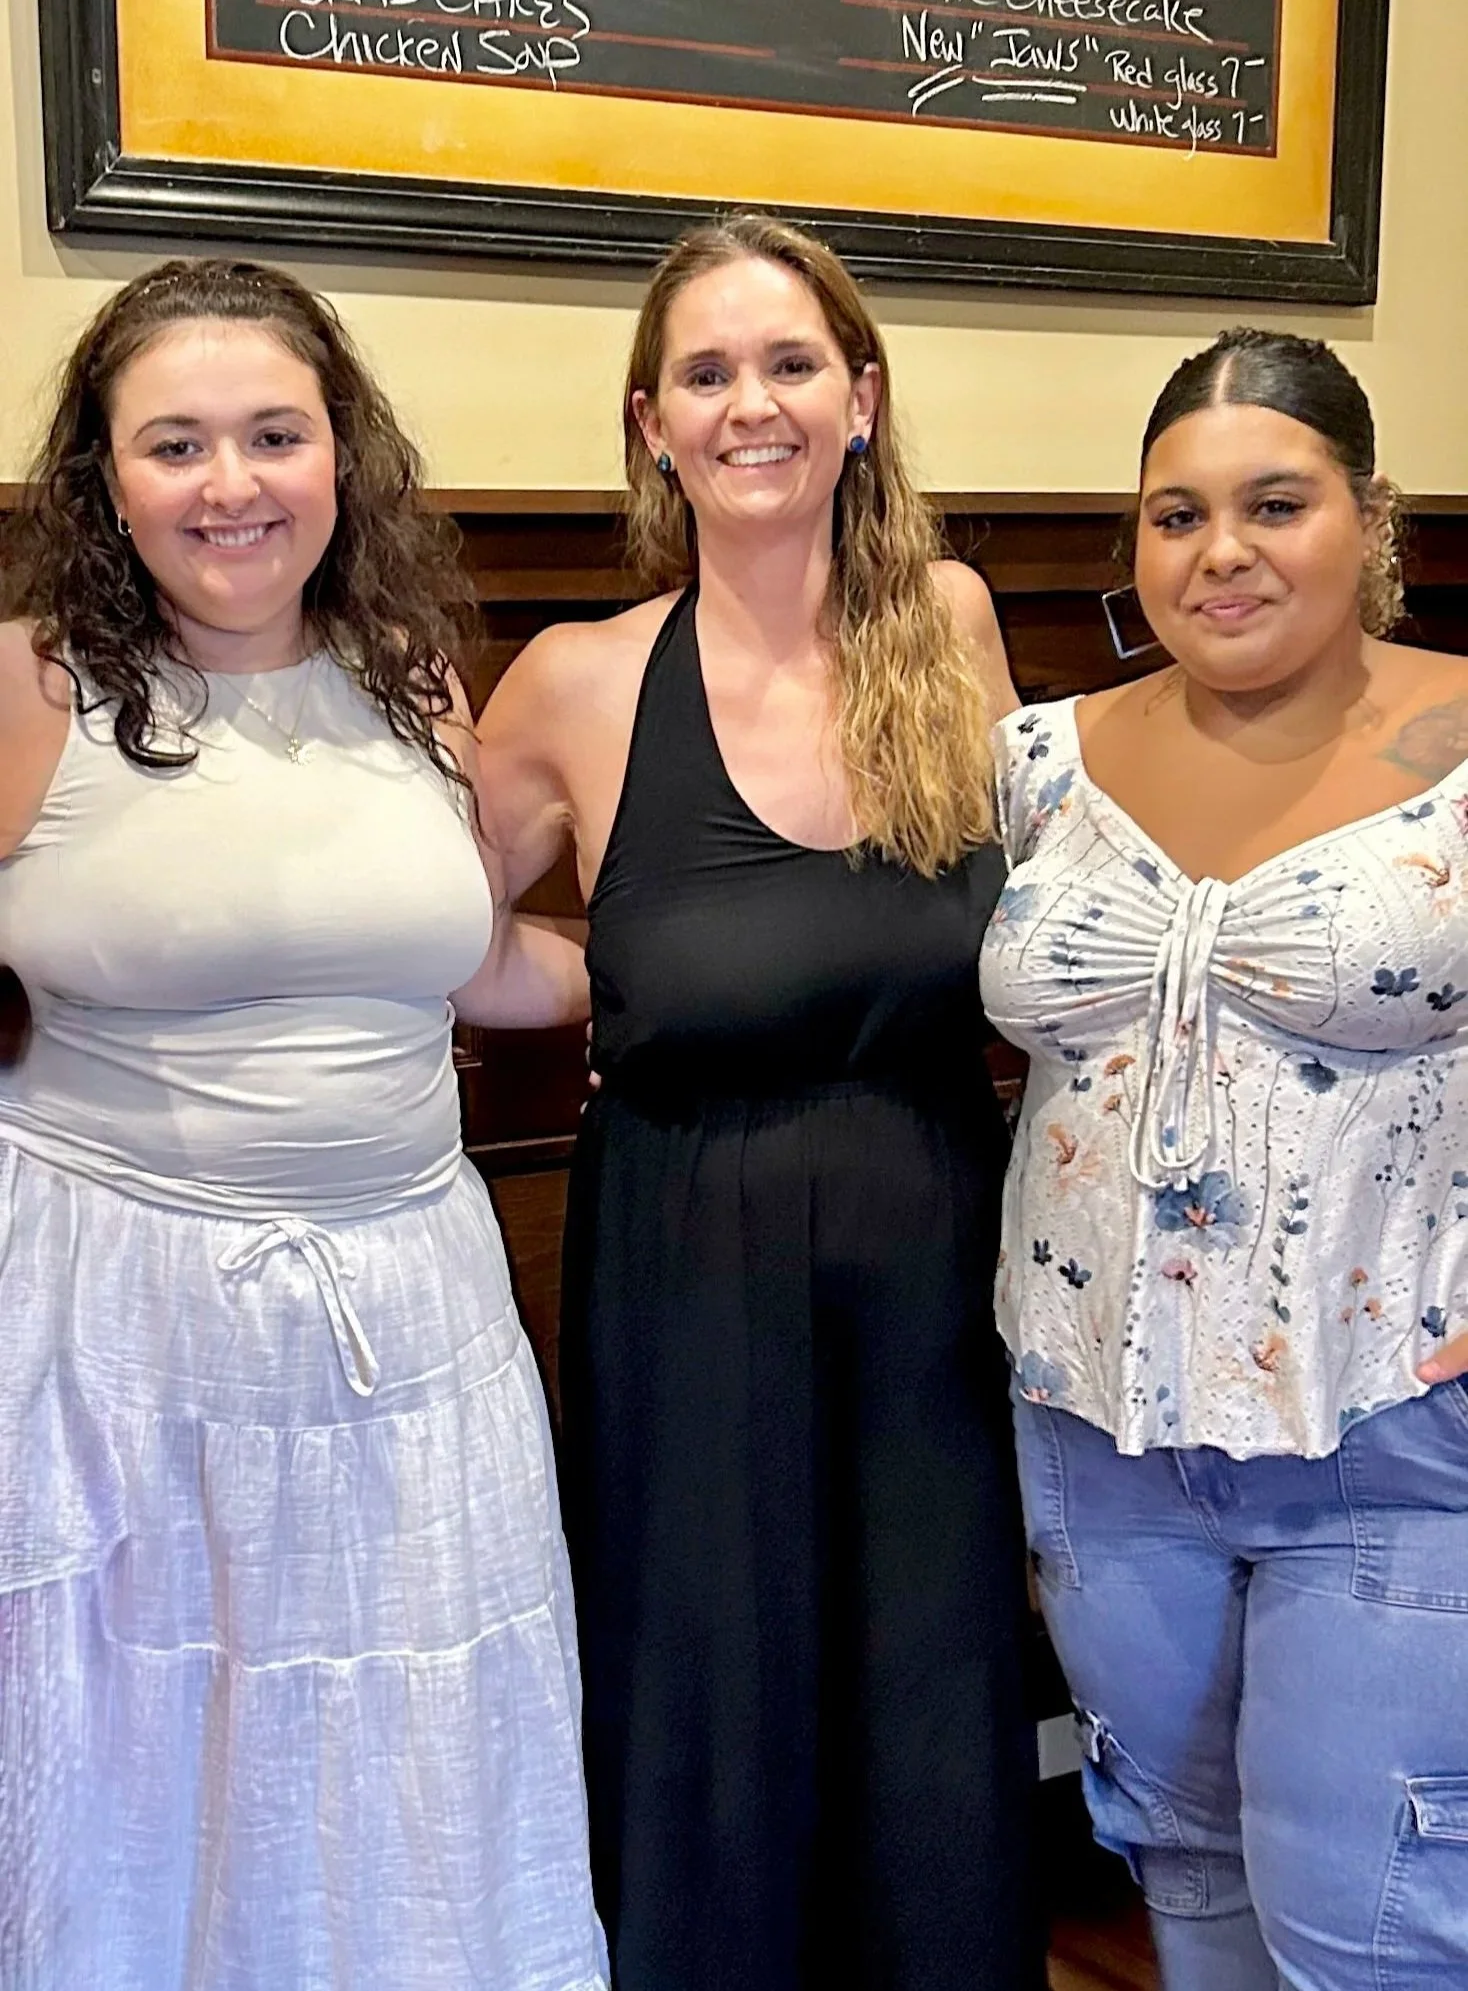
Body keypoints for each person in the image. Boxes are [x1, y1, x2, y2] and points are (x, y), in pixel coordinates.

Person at [0, 258, 606, 1991]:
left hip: (410, 1321)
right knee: (144, 1753)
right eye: (174, 444)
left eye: (275, 434)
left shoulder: (408, 677)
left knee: (408, 1751)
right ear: (103, 478)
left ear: (343, 455)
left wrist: (687, 964)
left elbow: (457, 957)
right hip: (113, 1333)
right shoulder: (25, 691)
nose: (232, 485)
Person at [476, 213, 1044, 1991]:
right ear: (650, 424)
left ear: (862, 399)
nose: (753, 406)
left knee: (933, 1681)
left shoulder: (946, 624)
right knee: (708, 1682)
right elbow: (432, 938)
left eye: (791, 364)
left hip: (936, 1239)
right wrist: (612, 978)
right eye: (706, 375)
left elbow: (1027, 918)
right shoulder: (575, 678)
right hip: (684, 1259)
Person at [981, 326, 1468, 1989]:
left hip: (1390, 1438)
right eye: (1175, 516)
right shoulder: (1040, 761)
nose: (1224, 552)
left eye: (1277, 503)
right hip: (1100, 1447)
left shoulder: (1465, 746)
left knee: (1372, 1939)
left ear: (1371, 518)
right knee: (1183, 1889)